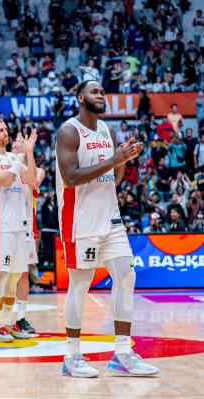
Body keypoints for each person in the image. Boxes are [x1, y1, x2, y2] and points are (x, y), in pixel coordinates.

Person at [55, 80, 159, 377]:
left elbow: (113, 179)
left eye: (102, 92)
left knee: (126, 275)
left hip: (110, 218)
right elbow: (71, 177)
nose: (101, 95)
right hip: (80, 221)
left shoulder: (107, 131)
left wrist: (123, 159)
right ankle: (72, 356)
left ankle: (123, 352)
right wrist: (114, 159)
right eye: (94, 92)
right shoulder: (68, 131)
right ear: (80, 97)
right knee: (81, 284)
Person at [0, 118, 38, 343]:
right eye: (1, 130)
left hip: (20, 225)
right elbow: (4, 179)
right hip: (0, 225)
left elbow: (32, 179)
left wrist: (28, 152)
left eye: (6, 129)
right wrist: (20, 157)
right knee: (1, 275)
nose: (6, 133)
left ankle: (9, 322)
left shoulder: (15, 157)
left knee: (14, 277)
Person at [13, 168, 46, 336]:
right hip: (8, 227)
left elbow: (34, 182)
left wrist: (26, 153)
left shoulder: (37, 170)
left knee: (24, 274)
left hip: (27, 228)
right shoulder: (6, 165)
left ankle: (21, 318)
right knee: (5, 275)